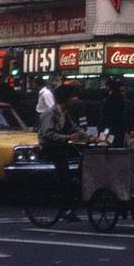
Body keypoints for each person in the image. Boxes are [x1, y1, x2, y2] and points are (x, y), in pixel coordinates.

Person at [38, 84, 86, 220]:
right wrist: (68, 138)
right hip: (50, 148)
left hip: (62, 146)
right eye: (72, 97)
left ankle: (77, 185)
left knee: (83, 158)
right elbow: (47, 134)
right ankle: (67, 207)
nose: (75, 99)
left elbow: (75, 128)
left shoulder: (64, 113)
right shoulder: (50, 114)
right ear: (65, 99)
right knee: (64, 174)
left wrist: (89, 137)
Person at [101, 78, 134, 148]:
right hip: (117, 129)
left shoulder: (107, 101)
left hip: (113, 129)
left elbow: (129, 117)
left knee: (110, 146)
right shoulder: (123, 102)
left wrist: (131, 129)